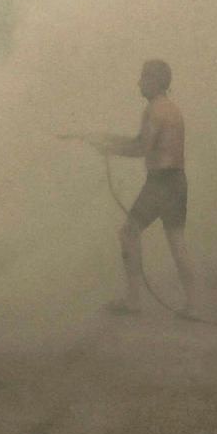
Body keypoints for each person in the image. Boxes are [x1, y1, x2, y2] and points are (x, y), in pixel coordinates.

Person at [82, 59, 197, 316]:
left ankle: (134, 301)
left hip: (160, 184)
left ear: (155, 82)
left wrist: (109, 148)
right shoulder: (172, 109)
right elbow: (142, 141)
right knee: (177, 241)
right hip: (177, 181)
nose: (139, 83)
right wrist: (108, 139)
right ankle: (193, 305)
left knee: (128, 234)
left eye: (143, 78)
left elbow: (141, 147)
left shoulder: (154, 110)